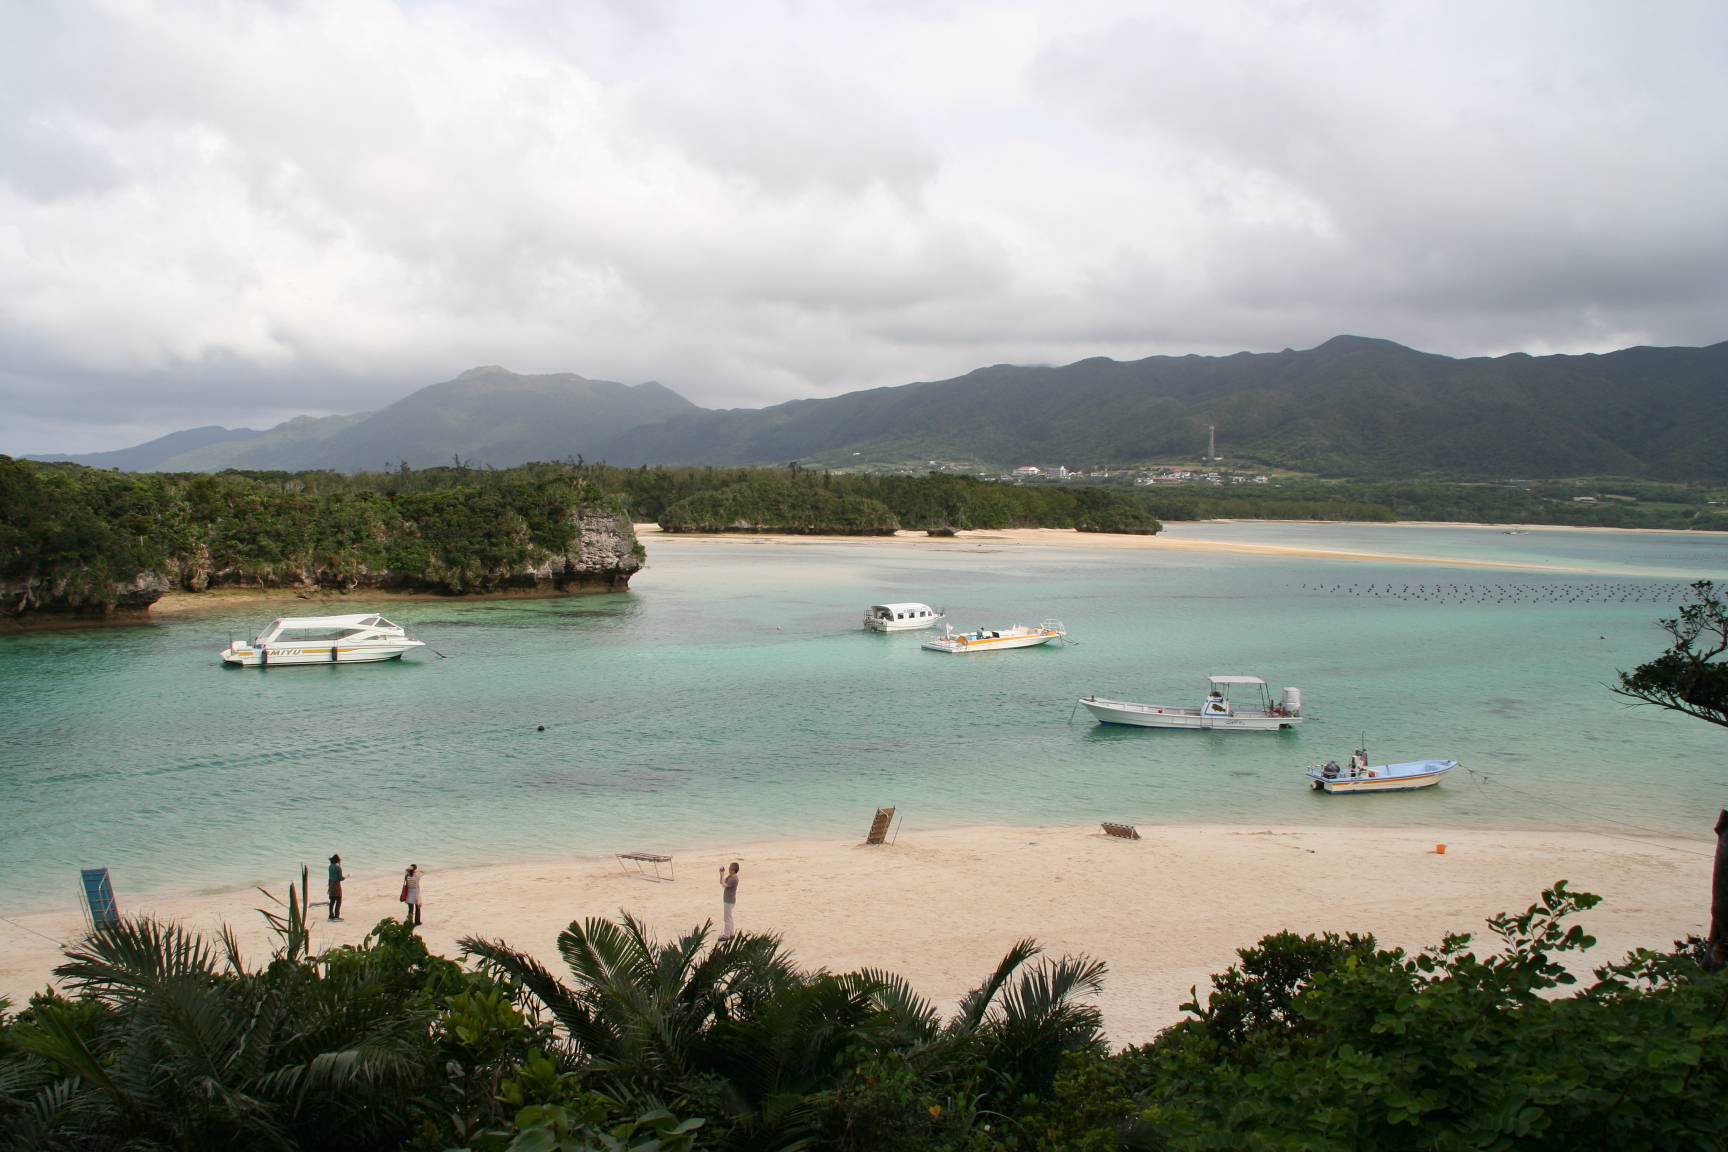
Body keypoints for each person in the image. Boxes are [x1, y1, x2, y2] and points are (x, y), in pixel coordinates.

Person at [718, 862, 739, 939]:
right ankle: (731, 933)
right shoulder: (730, 876)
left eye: (730, 868)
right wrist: (721, 875)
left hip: (729, 901)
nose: (729, 869)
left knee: (727, 918)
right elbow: (722, 882)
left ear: (733, 870)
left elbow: (725, 885)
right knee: (730, 917)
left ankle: (726, 935)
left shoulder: (735, 879)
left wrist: (723, 875)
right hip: (728, 899)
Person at [327, 854, 345, 921]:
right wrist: (345, 877)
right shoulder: (338, 868)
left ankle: (331, 915)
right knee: (338, 900)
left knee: (332, 900)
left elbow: (330, 876)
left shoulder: (330, 867)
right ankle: (337, 915)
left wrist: (328, 887)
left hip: (331, 884)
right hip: (336, 884)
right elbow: (340, 878)